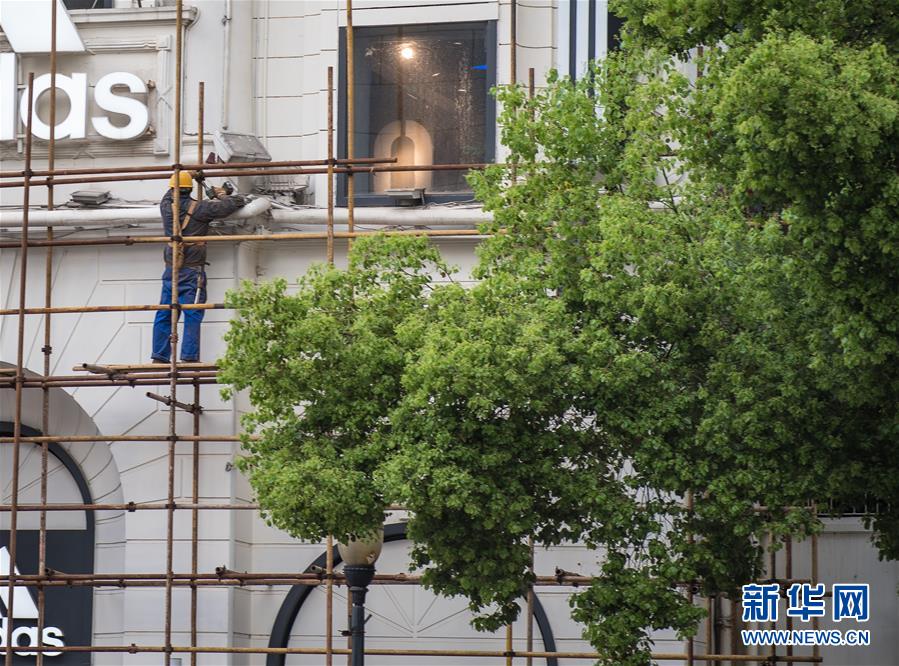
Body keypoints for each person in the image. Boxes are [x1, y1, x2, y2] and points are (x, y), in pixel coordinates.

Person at [151, 171, 247, 363]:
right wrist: (220, 195)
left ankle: (160, 356)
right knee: (192, 311)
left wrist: (187, 173)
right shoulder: (201, 209)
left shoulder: (165, 206)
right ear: (190, 189)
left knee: (166, 310)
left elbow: (170, 192)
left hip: (171, 268)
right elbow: (235, 203)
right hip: (192, 270)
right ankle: (189, 356)